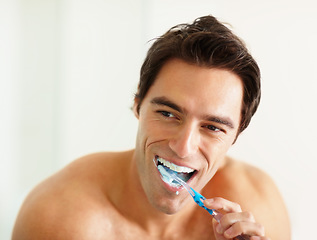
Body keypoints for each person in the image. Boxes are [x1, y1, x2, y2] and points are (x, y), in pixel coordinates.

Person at [12, 15, 291, 240]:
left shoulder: (260, 207)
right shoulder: (57, 219)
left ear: (235, 137)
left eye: (213, 127)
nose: (183, 147)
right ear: (137, 105)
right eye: (168, 114)